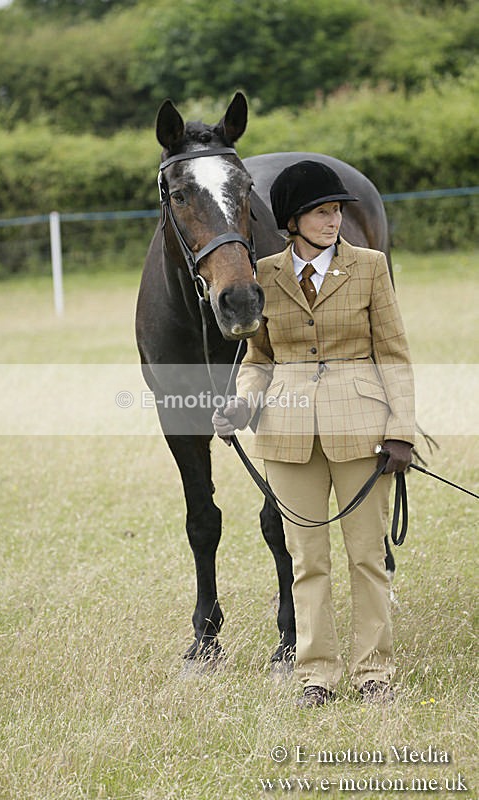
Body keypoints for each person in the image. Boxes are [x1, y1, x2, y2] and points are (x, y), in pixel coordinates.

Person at [212, 160, 415, 707]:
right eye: (323, 212)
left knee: (367, 557)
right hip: (288, 434)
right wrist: (240, 404)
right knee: (307, 561)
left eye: (338, 211)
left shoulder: (370, 267)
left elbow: (394, 356)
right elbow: (258, 359)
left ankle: (375, 672)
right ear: (293, 221)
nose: (335, 221)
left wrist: (401, 431)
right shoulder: (265, 274)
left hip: (362, 429)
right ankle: (316, 675)